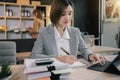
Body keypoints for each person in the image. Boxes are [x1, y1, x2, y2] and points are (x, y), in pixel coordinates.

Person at [30, 0, 106, 65]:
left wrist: (90, 55)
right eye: (63, 14)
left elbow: (84, 49)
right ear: (55, 14)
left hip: (73, 71)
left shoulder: (75, 32)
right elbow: (34, 56)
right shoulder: (44, 32)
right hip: (53, 72)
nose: (67, 18)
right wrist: (58, 58)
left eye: (69, 13)